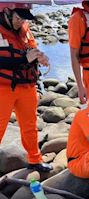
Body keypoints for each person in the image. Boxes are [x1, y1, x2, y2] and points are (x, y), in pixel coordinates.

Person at [0, 3, 52, 172]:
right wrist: (24, 60)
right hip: (3, 88)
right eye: (18, 17)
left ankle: (35, 159)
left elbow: (31, 49)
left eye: (24, 18)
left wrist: (39, 56)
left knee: (30, 125)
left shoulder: (25, 29)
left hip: (27, 86)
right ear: (6, 11)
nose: (20, 22)